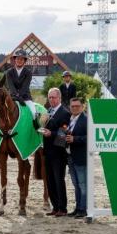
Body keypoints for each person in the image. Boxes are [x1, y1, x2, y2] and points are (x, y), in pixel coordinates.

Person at [42, 88, 71, 217]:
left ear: (59, 98)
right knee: (50, 181)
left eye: (53, 97)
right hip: (47, 152)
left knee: (59, 180)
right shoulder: (48, 111)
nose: (51, 100)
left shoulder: (65, 112)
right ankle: (54, 207)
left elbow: (63, 133)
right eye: (50, 98)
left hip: (59, 153)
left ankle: (62, 208)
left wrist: (51, 133)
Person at [65, 98, 88, 218]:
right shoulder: (70, 119)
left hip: (81, 157)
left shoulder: (86, 120)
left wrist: (75, 139)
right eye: (72, 106)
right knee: (76, 185)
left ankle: (83, 209)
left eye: (77, 106)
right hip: (70, 156)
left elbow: (90, 137)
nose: (74, 108)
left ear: (82, 107)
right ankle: (78, 207)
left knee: (83, 185)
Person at [5, 48, 37, 126]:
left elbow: (25, 87)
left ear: (24, 61)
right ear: (15, 60)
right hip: (12, 97)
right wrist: (17, 97)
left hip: (25, 98)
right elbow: (11, 87)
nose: (19, 60)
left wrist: (20, 97)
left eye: (22, 59)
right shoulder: (9, 72)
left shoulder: (28, 72)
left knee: (33, 112)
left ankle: (36, 128)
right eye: (18, 59)